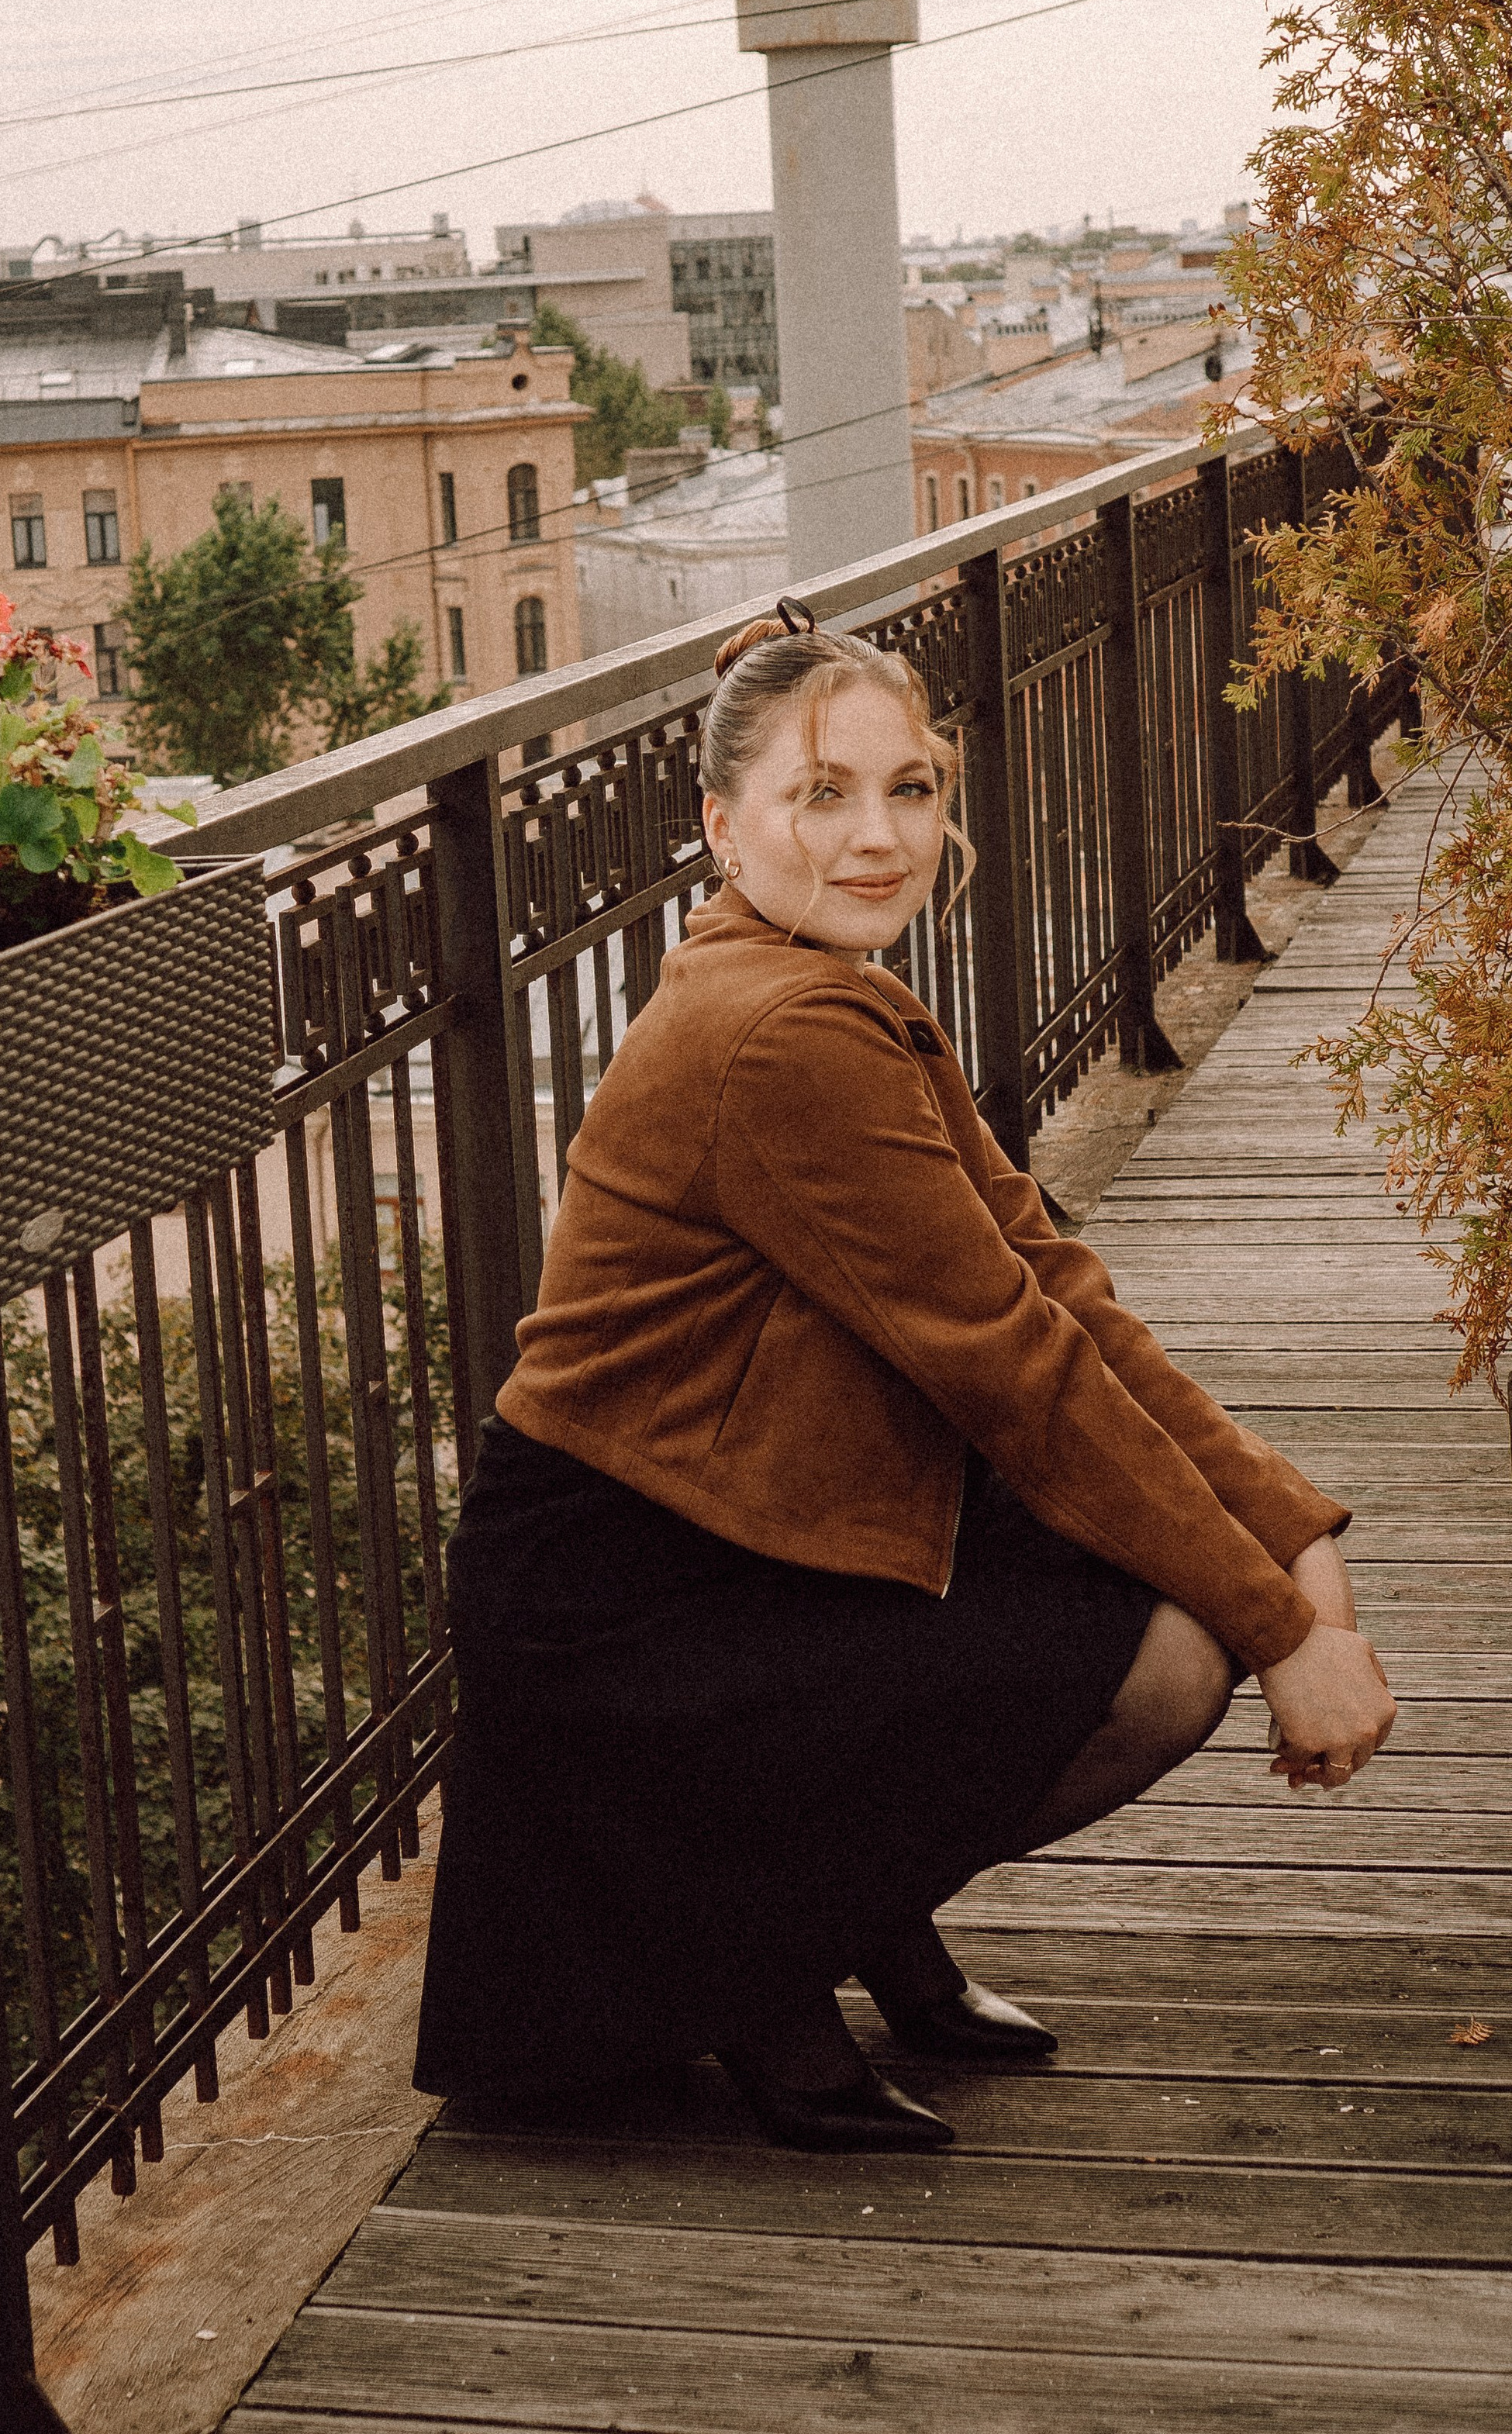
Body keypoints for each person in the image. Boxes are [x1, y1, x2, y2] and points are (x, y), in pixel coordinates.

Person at [413, 604, 1395, 2151]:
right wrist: (1281, 1630)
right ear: (720, 825)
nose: (879, 838)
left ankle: (843, 1916)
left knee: (1147, 1593)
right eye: (822, 795)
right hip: (621, 1592)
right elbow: (1017, 1375)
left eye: (910, 788)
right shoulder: (783, 1032)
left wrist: (1286, 1529)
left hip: (742, 1521)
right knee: (1167, 1660)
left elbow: (1056, 1295)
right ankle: (765, 1962)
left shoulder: (813, 983)